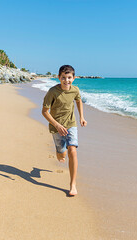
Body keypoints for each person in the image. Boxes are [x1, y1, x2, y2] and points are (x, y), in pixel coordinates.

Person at [41, 65, 87, 196]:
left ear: (74, 78)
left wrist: (82, 117)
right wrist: (57, 125)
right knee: (61, 154)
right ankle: (60, 152)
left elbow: (78, 101)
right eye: (63, 78)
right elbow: (44, 112)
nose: (66, 80)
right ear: (58, 77)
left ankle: (72, 184)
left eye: (69, 78)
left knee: (73, 150)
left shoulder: (75, 90)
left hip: (71, 124)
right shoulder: (52, 92)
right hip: (56, 126)